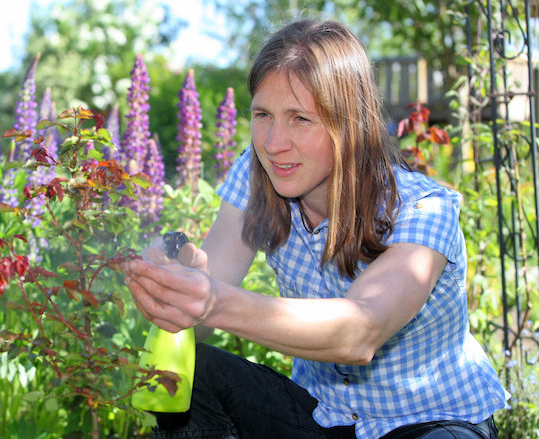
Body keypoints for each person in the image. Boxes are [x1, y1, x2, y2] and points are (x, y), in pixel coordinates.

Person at [123, 18, 509, 439]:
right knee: (195, 376)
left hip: (430, 421)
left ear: (350, 125)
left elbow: (360, 332)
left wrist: (212, 300)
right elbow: (204, 311)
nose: (273, 143)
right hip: (324, 417)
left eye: (300, 119)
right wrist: (176, 289)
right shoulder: (257, 177)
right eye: (263, 115)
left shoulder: (421, 209)